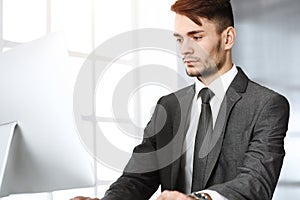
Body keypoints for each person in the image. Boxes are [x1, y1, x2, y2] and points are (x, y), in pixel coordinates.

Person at [72, 0, 290, 199]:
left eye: (196, 37)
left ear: (227, 38)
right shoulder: (167, 106)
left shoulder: (267, 105)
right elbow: (137, 178)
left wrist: (197, 199)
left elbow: (256, 183)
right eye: (180, 39)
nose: (185, 49)